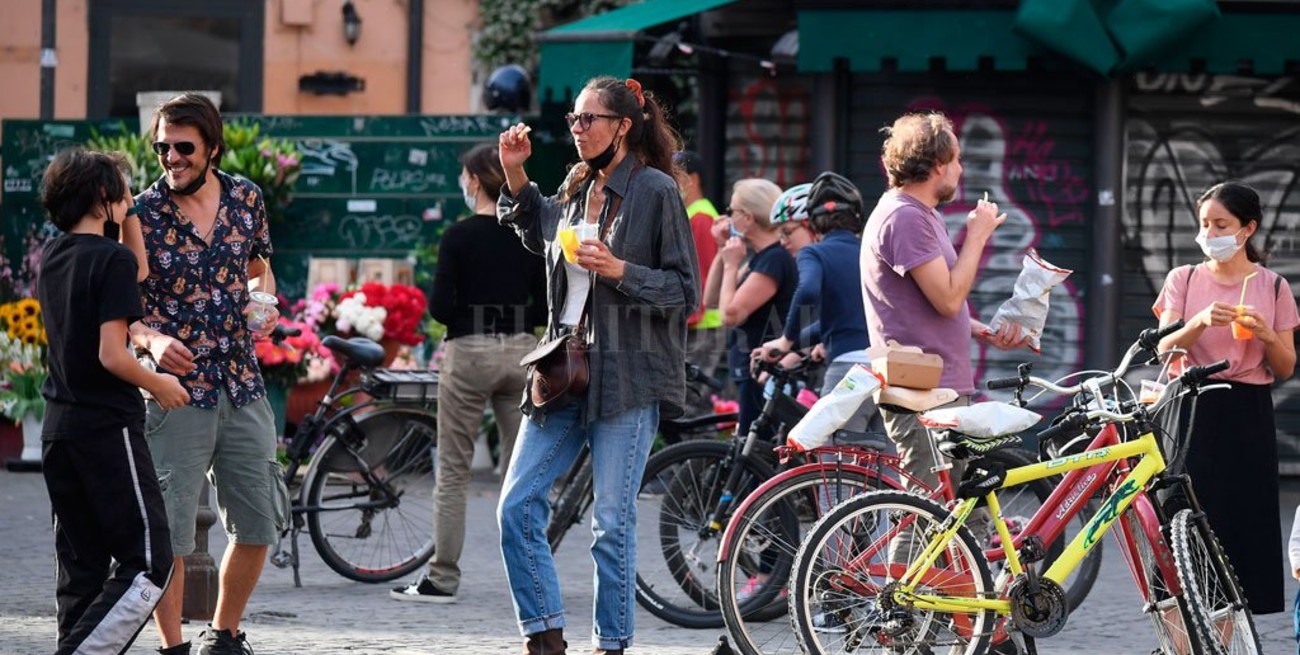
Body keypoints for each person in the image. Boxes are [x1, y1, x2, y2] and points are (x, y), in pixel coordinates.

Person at [495, 76, 698, 655]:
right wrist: (515, 174)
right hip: (563, 372)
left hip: (628, 379)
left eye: (589, 119)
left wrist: (620, 271)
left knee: (611, 526)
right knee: (516, 507)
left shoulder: (657, 191)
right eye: (574, 119)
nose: (578, 129)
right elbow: (543, 237)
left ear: (623, 127)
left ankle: (611, 644)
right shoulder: (578, 183)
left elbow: (685, 292)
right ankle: (545, 637)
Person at [128, 93, 285, 655]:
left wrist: (264, 302)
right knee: (166, 534)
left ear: (213, 148)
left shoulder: (246, 199)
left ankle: (223, 635)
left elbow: (261, 268)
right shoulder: (139, 214)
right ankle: (172, 647)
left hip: (242, 384)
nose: (172, 157)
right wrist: (151, 339)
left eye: (184, 147)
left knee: (259, 521)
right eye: (163, 147)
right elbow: (123, 313)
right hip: (174, 394)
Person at [36, 147, 190, 655]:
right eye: (123, 190)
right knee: (149, 561)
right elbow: (111, 354)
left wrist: (128, 217)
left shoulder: (54, 257)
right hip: (108, 427)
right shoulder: (111, 259)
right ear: (105, 198)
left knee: (81, 569)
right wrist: (159, 384)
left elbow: (136, 269)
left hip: (59, 429)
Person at [391, 143, 546, 604]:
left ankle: (442, 578)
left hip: (469, 351)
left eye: (464, 176)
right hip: (523, 351)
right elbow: (543, 303)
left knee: (453, 470)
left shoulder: (458, 237)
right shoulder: (527, 236)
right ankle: (535, 577)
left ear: (474, 182)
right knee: (524, 472)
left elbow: (439, 307)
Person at [860, 111, 1028, 499]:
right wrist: (978, 235)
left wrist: (979, 329)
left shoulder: (920, 215)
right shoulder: (905, 217)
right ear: (937, 165)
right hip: (920, 391)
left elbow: (919, 305)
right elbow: (949, 298)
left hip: (936, 386)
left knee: (945, 519)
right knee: (926, 515)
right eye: (956, 160)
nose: (961, 169)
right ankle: (901, 566)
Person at [1153, 181, 1296, 615]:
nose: (1209, 233)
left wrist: (1267, 334)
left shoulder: (1273, 287)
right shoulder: (1185, 278)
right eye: (1204, 224)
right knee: (1178, 531)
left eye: (1221, 224)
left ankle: (1230, 641)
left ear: (1247, 228)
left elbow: (1286, 366)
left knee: (1238, 536)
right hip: (1190, 409)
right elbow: (1164, 347)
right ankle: (1177, 641)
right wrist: (1198, 321)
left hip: (1247, 414)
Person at [760, 172, 876, 431]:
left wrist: (785, 340)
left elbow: (808, 290)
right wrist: (788, 347)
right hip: (885, 369)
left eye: (788, 232)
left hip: (848, 370)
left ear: (813, 223)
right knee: (882, 463)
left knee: (829, 455)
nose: (783, 240)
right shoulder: (869, 251)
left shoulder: (814, 253)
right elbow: (844, 321)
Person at [703, 178, 796, 437]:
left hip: (763, 372)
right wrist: (723, 251)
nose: (728, 217)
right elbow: (711, 299)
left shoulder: (775, 259)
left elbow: (729, 314)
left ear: (748, 217)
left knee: (755, 454)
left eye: (732, 211)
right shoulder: (761, 257)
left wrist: (732, 264)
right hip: (751, 370)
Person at [673, 151, 726, 391]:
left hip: (701, 325)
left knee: (691, 402)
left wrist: (689, 317)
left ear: (691, 179)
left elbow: (702, 273)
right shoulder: (695, 215)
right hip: (700, 322)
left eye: (674, 176)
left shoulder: (701, 218)